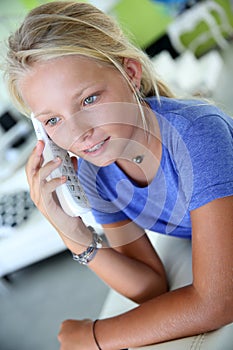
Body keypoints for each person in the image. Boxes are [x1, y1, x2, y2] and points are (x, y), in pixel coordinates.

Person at [4, 1, 233, 349]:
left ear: (130, 72)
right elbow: (151, 285)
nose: (78, 133)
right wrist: (72, 233)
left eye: (89, 99)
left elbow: (218, 302)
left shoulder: (197, 133)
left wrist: (94, 336)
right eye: (53, 120)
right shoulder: (98, 171)